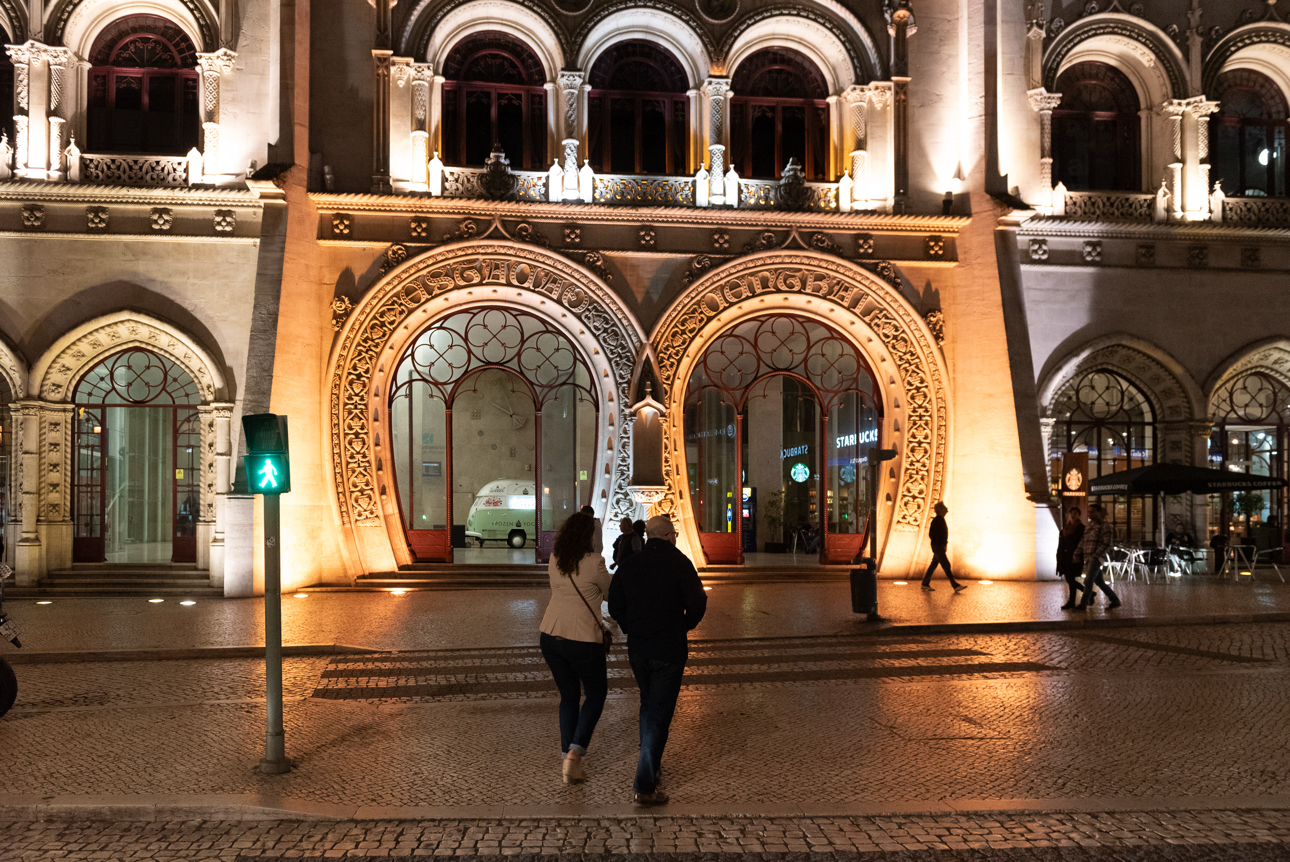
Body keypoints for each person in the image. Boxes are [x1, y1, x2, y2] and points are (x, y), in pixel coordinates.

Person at [608, 514, 707, 806]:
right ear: (667, 535)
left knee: (648, 704)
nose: (676, 537)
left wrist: (630, 625)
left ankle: (651, 762)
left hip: (639, 648)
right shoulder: (680, 563)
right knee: (659, 714)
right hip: (669, 649)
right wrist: (685, 626)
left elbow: (614, 605)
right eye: (675, 533)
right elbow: (698, 601)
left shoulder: (630, 564)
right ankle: (644, 784)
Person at [538, 511, 611, 784]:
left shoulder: (555, 560)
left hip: (550, 635)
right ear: (588, 537)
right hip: (581, 639)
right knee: (595, 694)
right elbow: (610, 594)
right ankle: (575, 752)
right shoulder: (595, 563)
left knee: (568, 696)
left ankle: (565, 755)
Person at [1076, 503, 1120, 610]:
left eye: (1092, 512)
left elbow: (1107, 543)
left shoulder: (1104, 526)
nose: (1090, 514)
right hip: (1088, 557)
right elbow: (1083, 540)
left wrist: (1096, 555)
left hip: (1096, 558)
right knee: (1099, 582)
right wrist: (1077, 552)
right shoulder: (1089, 525)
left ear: (1099, 513)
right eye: (1089, 511)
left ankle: (1083, 604)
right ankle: (1115, 600)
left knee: (1088, 580)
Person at [921, 501, 965, 592]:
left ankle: (925, 583)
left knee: (933, 565)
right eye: (944, 507)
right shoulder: (938, 520)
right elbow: (933, 534)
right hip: (938, 547)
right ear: (940, 510)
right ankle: (954, 585)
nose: (947, 509)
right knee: (946, 565)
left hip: (938, 546)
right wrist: (940, 544)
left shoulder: (939, 520)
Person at [1056, 507, 1087, 610]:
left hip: (1075, 557)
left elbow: (1080, 543)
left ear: (1079, 515)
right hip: (1065, 557)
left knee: (1070, 579)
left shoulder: (1081, 528)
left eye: (1075, 513)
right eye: (1071, 513)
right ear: (1068, 514)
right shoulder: (1066, 528)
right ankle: (1074, 600)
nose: (1073, 515)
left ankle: (1073, 600)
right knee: (1070, 579)